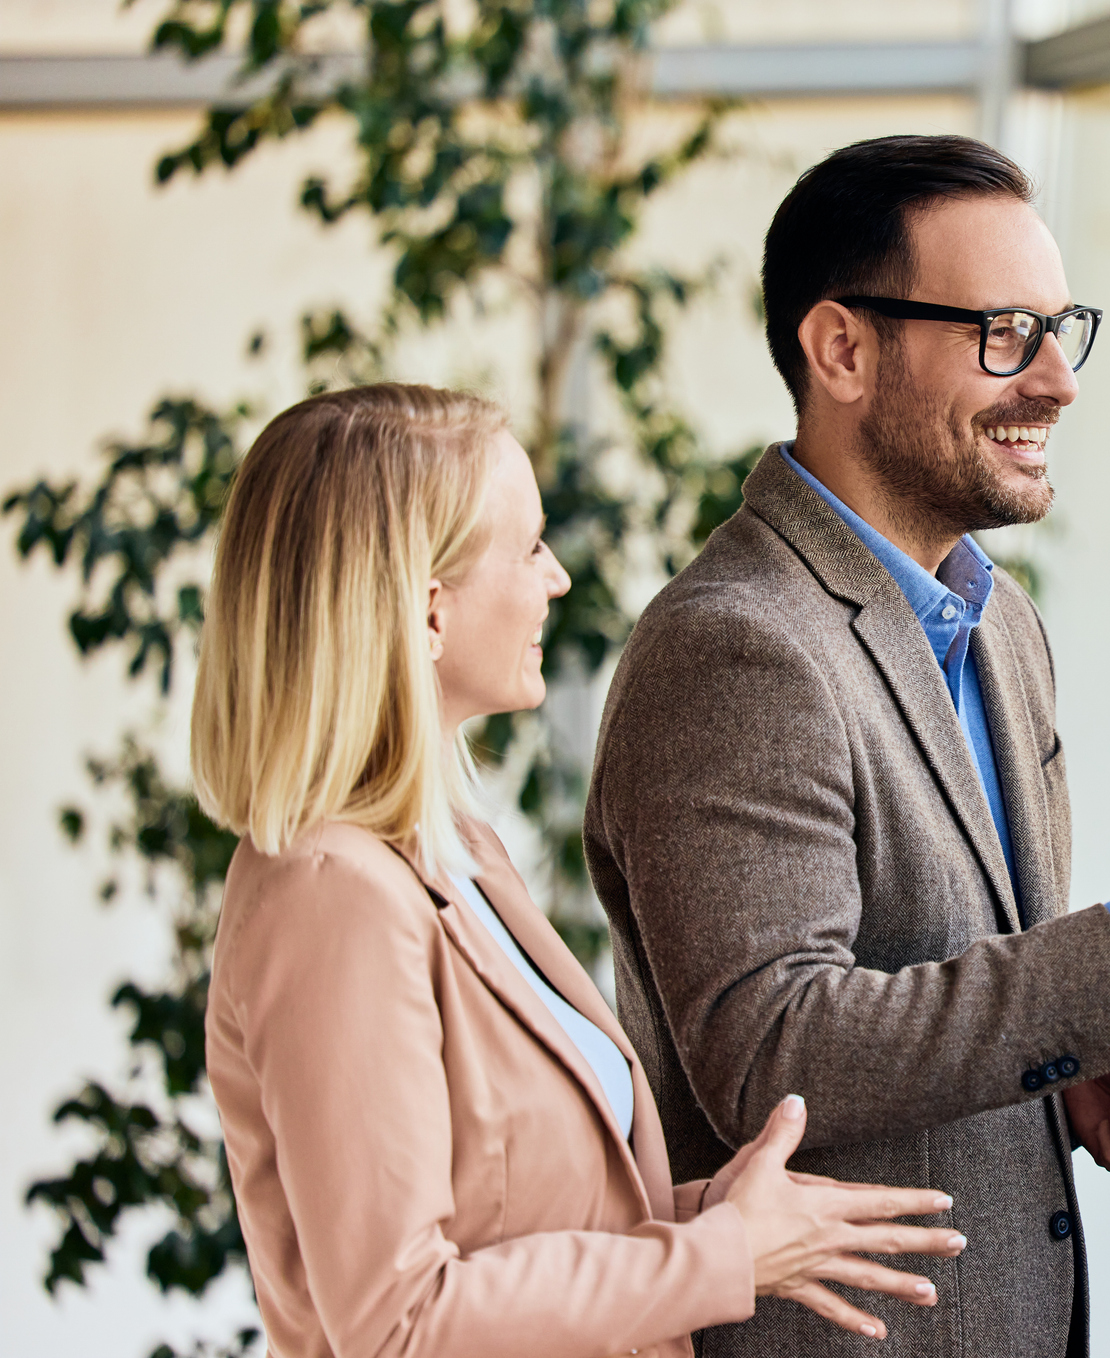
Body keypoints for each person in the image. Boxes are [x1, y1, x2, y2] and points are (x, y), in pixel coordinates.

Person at [582, 133, 1110, 1358]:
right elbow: (771, 1050)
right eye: (1004, 332)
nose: (1054, 379)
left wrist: (1072, 1064)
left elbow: (951, 970)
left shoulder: (998, 622)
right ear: (841, 348)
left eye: (1061, 329)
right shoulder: (734, 648)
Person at [196, 384, 967, 1358]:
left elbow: (517, 1227)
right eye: (527, 548)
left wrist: (713, 1214)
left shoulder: (453, 855)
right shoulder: (332, 896)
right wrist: (721, 1255)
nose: (555, 578)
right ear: (427, 611)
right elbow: (398, 1322)